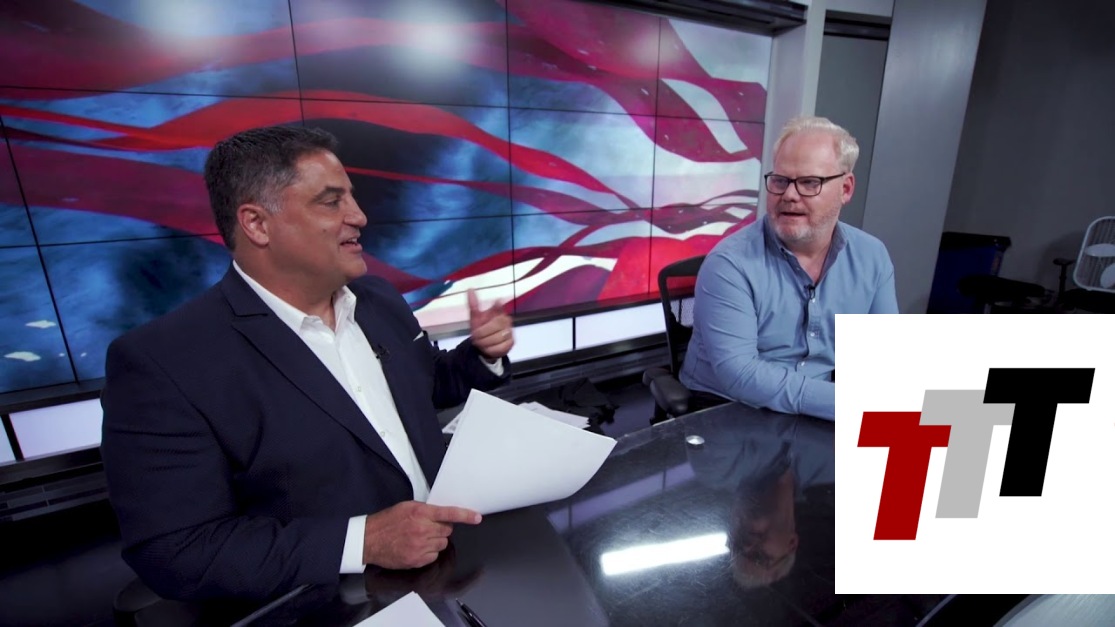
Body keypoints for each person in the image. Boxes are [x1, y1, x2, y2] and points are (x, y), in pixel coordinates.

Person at [99, 125, 514, 601]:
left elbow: (424, 386)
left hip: (449, 575)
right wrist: (364, 541)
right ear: (257, 224)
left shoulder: (378, 299)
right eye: (331, 202)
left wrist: (482, 354)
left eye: (351, 198)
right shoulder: (161, 363)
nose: (359, 216)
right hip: (331, 604)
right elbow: (175, 552)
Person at [680, 116, 897, 420]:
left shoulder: (872, 256)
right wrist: (848, 404)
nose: (790, 195)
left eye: (809, 182)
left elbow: (885, 355)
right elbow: (740, 374)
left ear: (846, 189)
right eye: (780, 181)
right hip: (728, 409)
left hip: (817, 410)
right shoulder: (729, 264)